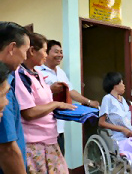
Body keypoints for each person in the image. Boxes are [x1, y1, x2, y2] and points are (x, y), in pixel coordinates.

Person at [14, 33, 76, 173]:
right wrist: (56, 104)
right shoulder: (20, 75)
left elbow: (43, 99)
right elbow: (29, 113)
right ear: (32, 51)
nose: (46, 55)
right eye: (44, 50)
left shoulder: (38, 74)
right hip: (34, 144)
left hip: (50, 139)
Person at [35, 40, 99, 155]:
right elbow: (34, 96)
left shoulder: (60, 72)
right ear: (46, 53)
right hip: (42, 128)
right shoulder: (37, 71)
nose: (60, 55)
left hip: (59, 127)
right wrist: (50, 89)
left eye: (61, 52)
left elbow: (70, 91)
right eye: (56, 52)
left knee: (59, 159)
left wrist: (88, 102)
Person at [0, 21, 30, 174]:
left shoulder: (9, 78)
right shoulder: (1, 86)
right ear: (12, 48)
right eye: (25, 50)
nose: (25, 57)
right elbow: (7, 149)